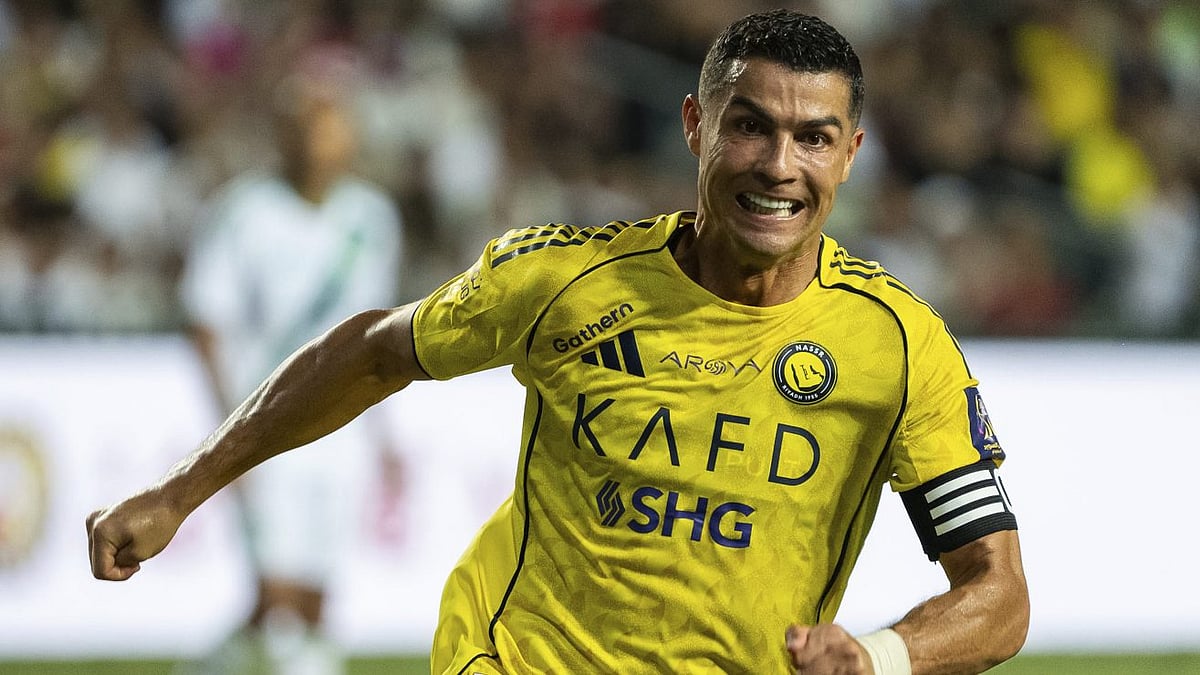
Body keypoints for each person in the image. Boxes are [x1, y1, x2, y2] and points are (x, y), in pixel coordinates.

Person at [87, 10, 1029, 674]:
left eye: (814, 138)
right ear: (697, 127)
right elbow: (373, 351)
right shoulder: (562, 281)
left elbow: (998, 595)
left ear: (853, 153)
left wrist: (880, 654)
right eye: (750, 127)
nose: (780, 167)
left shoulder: (899, 346)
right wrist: (180, 491)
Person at [176, 67, 404, 674]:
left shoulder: (371, 219)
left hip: (341, 427)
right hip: (266, 423)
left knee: (314, 602)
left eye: (331, 126)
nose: (319, 140)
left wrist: (386, 439)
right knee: (278, 602)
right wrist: (230, 432)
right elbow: (205, 322)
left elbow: (376, 339)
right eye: (306, 126)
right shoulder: (243, 212)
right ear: (282, 134)